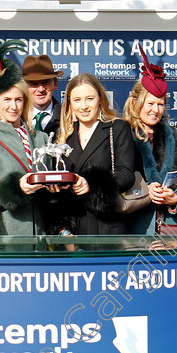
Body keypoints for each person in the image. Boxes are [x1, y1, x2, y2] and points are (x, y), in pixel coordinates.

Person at [0, 40, 54, 235]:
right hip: (10, 237)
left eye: (18, 100)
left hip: (43, 237)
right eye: (7, 100)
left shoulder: (42, 139)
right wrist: (15, 190)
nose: (13, 107)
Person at [123, 51, 177, 235]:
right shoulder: (121, 134)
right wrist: (144, 190)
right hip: (135, 228)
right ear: (135, 103)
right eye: (150, 104)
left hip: (173, 229)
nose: (155, 110)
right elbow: (116, 179)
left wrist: (175, 198)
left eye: (160, 104)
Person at [55, 73, 135, 234]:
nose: (83, 106)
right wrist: (62, 229)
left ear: (100, 99)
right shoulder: (64, 136)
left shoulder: (117, 128)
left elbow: (126, 175)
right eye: (77, 100)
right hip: (72, 231)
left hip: (107, 227)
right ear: (69, 103)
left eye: (89, 99)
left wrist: (90, 184)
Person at [23, 54, 62, 136]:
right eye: (34, 84)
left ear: (55, 84)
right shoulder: (15, 118)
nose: (41, 89)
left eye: (46, 82)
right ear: (24, 87)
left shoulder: (68, 118)